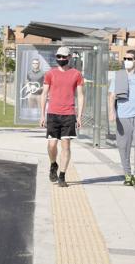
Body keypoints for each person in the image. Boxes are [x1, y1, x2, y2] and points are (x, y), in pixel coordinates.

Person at [39, 46, 85, 187]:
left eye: (64, 57)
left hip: (69, 114)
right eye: (59, 57)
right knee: (52, 144)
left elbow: (81, 96)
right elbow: (44, 94)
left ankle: (62, 176)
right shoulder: (50, 74)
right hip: (52, 113)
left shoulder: (76, 74)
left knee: (66, 145)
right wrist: (42, 115)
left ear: (69, 57)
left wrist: (79, 116)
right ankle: (53, 164)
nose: (61, 59)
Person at [108, 50, 135, 188]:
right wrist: (112, 111)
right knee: (123, 147)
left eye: (130, 58)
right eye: (125, 58)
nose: (126, 60)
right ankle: (127, 175)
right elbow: (111, 96)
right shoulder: (119, 76)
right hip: (122, 117)